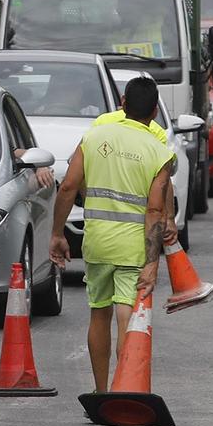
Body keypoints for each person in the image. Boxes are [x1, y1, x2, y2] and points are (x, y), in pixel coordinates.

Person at [48, 76, 177, 394]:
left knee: (98, 312)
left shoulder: (94, 136)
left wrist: (57, 234)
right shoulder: (158, 150)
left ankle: (101, 391)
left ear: (122, 102)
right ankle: (126, 389)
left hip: (97, 241)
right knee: (126, 313)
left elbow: (67, 186)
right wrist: (152, 262)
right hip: (132, 244)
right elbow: (154, 210)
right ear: (155, 113)